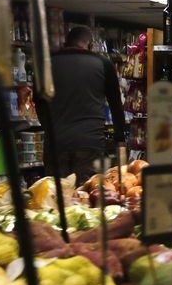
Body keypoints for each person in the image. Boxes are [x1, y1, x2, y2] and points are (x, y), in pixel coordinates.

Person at [43, 25, 125, 183]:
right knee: (86, 194)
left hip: (56, 143)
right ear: (90, 44)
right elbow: (115, 104)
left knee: (53, 194)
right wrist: (119, 139)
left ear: (67, 42)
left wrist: (50, 127)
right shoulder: (102, 64)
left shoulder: (48, 64)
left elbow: (39, 102)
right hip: (90, 142)